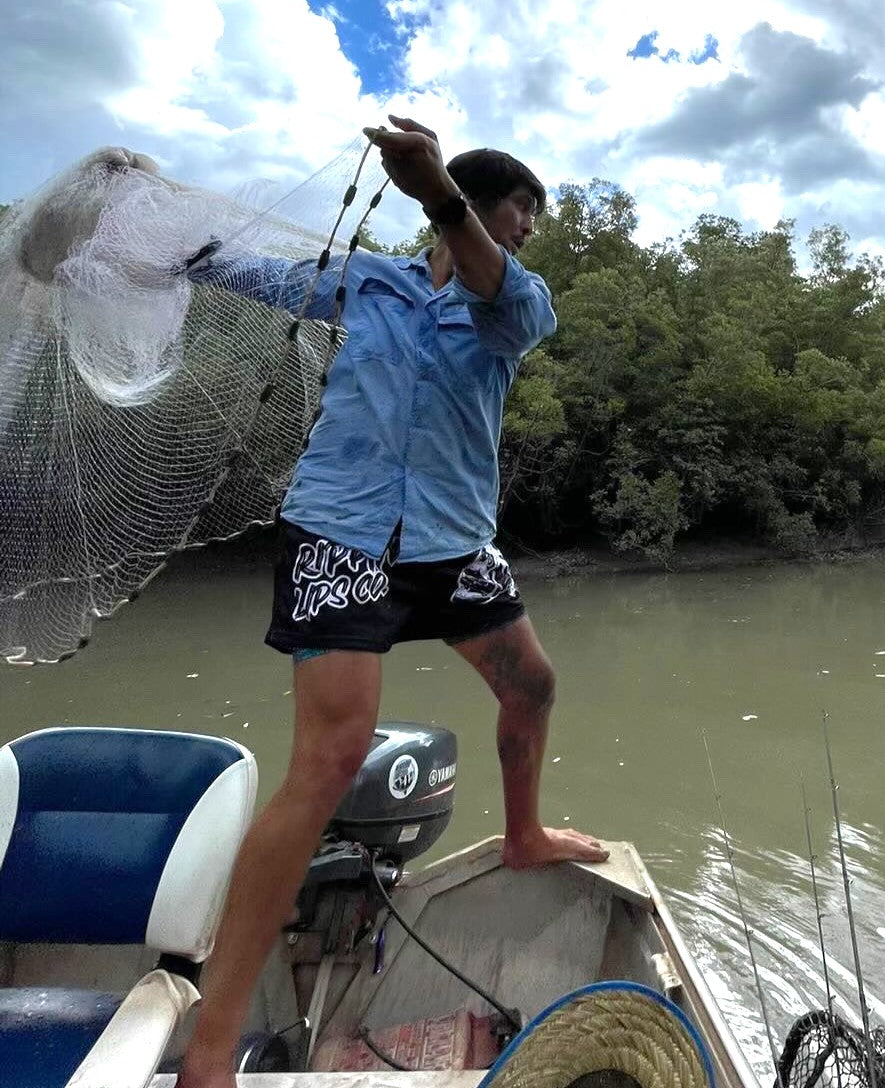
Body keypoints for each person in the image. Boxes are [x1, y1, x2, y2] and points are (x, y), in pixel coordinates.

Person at [176, 117, 607, 1088]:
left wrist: (443, 199)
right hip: (341, 530)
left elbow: (500, 285)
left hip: (452, 542)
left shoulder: (512, 302)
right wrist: (168, 238)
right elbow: (260, 276)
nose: (526, 229)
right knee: (329, 757)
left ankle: (526, 831)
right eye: (518, 210)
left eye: (527, 218)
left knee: (531, 684)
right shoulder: (369, 281)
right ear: (483, 199)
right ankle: (211, 1050)